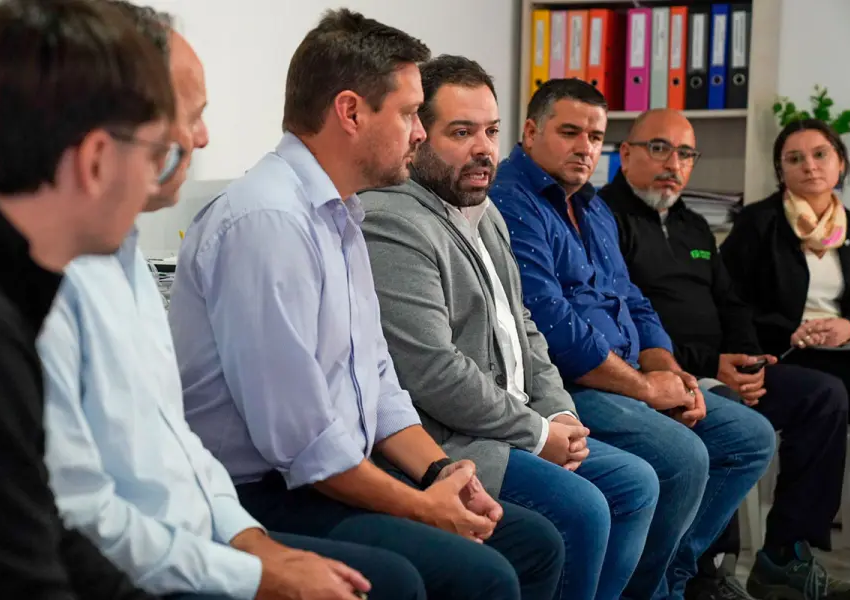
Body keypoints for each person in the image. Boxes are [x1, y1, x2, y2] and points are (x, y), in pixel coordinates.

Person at [168, 10, 564, 600]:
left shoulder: (341, 211)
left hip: (331, 473)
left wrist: (441, 473)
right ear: (351, 112)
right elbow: (305, 446)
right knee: (477, 574)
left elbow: (377, 381)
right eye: (409, 114)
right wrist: (422, 506)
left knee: (533, 542)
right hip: (259, 492)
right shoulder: (268, 222)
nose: (420, 133)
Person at [38, 4, 398, 600]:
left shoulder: (122, 253)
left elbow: (180, 445)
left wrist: (252, 544)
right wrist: (255, 573)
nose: (201, 138)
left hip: (203, 530)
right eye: (189, 115)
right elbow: (86, 515)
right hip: (144, 562)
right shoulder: (46, 284)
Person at [358, 55, 657, 600]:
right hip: (454, 438)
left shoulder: (483, 209)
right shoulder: (392, 220)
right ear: (419, 136)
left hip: (515, 419)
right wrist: (538, 433)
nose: (484, 149)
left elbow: (525, 327)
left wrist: (559, 412)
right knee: (586, 509)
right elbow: (433, 371)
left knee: (636, 483)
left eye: (491, 131)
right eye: (462, 132)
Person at [488, 78, 776, 600]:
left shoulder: (592, 205)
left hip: (627, 373)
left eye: (596, 136)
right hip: (569, 386)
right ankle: (649, 589)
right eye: (570, 132)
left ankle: (671, 577)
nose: (585, 147)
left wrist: (671, 372)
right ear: (530, 132)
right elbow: (551, 324)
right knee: (683, 457)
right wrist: (645, 388)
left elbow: (633, 300)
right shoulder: (511, 200)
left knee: (749, 437)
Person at [600, 108, 850, 600]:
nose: (673, 164)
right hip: (663, 373)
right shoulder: (605, 219)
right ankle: (708, 570)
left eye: (685, 154)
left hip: (723, 367)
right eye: (659, 148)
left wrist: (748, 360)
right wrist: (709, 365)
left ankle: (785, 554)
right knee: (730, 416)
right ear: (626, 154)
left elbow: (732, 302)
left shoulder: (695, 224)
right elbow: (627, 321)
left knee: (823, 396)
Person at [0, 0, 175, 597]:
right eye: (156, 154)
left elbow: (39, 524)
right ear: (97, 159)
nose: (156, 179)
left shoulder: (2, 288)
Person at [721, 118, 850, 434]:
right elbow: (731, 301)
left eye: (820, 154)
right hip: (783, 352)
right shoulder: (758, 222)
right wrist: (790, 331)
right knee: (830, 390)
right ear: (781, 171)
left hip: (842, 351)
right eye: (795, 159)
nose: (809, 166)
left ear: (840, 162)